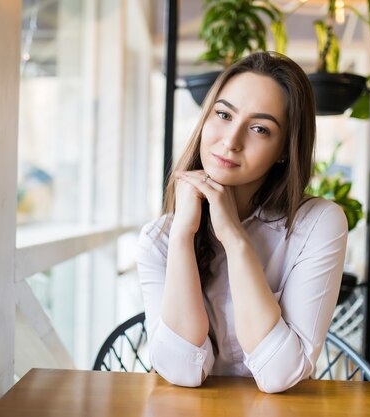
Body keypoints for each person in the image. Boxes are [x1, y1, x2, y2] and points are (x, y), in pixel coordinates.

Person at [136, 51, 348, 393]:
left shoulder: (318, 225)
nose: (231, 141)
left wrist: (235, 240)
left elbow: (280, 375)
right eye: (223, 114)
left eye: (260, 129)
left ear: (284, 148)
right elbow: (180, 371)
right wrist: (182, 237)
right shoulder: (159, 239)